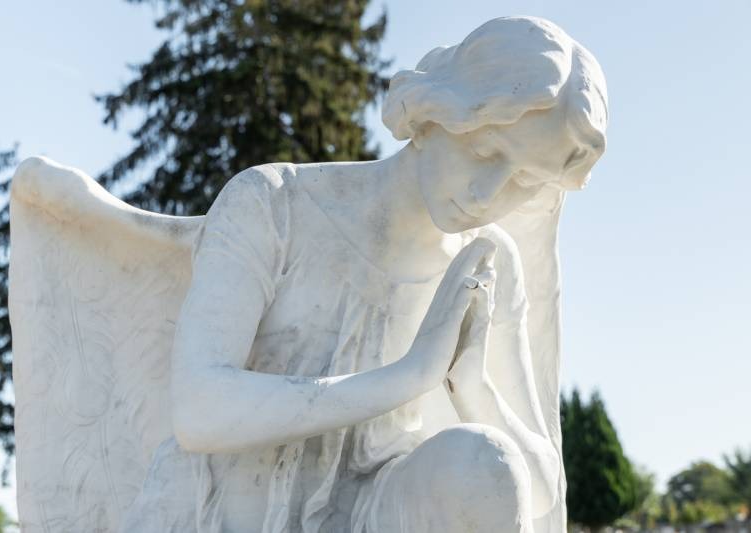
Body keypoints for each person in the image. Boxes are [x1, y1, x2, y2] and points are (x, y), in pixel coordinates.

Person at [119, 15, 607, 533]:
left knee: (483, 463)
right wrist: (410, 376)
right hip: (226, 509)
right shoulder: (274, 204)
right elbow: (198, 410)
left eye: (525, 180)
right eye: (484, 151)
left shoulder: (488, 263)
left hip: (374, 510)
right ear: (435, 115)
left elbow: (537, 487)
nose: (488, 195)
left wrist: (474, 387)